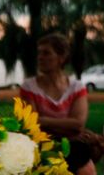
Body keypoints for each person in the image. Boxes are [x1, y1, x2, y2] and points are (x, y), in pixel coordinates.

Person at [20, 33, 96, 175]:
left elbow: (79, 123)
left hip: (73, 149)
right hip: (40, 149)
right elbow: (30, 123)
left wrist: (43, 121)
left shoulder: (76, 87)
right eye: (39, 53)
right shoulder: (29, 87)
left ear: (61, 58)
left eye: (46, 53)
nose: (40, 57)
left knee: (86, 168)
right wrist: (67, 130)